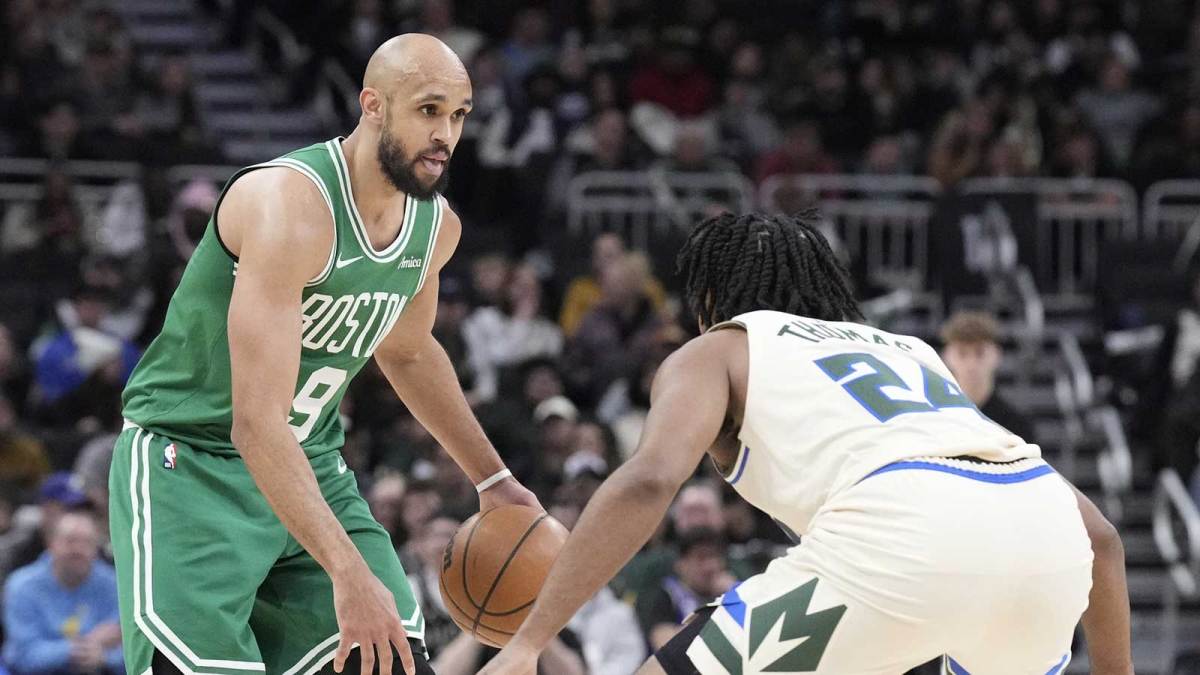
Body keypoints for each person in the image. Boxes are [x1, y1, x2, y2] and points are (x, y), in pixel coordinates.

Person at [482, 212, 1133, 675]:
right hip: (1043, 536)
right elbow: (1101, 537)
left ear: (710, 300)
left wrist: (529, 641)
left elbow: (651, 479)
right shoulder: (913, 351)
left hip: (899, 537)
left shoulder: (719, 347)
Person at [109, 34, 537, 675]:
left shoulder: (434, 227)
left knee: (393, 661)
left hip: (309, 466)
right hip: (192, 466)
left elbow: (409, 351)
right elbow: (254, 424)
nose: (445, 133)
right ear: (372, 105)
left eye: (459, 114)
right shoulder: (290, 207)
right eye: (428, 110)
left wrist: (495, 482)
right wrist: (348, 572)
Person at [3, 510, 123, 675]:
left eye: (87, 542)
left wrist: (105, 658)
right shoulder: (22, 586)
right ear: (51, 543)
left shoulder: (114, 585)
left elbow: (131, 652)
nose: (78, 550)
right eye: (70, 541)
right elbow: (24, 657)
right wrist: (84, 645)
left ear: (97, 547)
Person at [939, 310, 1035, 442]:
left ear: (996, 354)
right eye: (962, 353)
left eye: (980, 353)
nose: (971, 364)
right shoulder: (936, 420)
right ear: (947, 356)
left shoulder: (1016, 426)